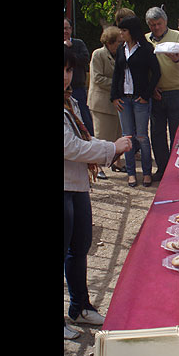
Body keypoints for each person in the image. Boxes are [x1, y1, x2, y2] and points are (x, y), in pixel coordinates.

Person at [64, 47, 133, 340]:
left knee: (80, 247)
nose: (66, 76)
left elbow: (83, 139)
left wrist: (106, 147)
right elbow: (71, 147)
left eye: (68, 70)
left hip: (76, 184)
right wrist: (111, 148)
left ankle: (80, 306)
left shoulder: (69, 102)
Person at [111, 16, 162, 188]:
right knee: (128, 137)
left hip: (140, 99)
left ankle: (147, 172)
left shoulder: (146, 48)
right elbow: (116, 74)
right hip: (123, 98)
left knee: (142, 137)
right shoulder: (121, 49)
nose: (121, 33)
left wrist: (147, 95)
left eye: (124, 30)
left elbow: (156, 73)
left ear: (131, 31)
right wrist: (114, 97)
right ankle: (131, 173)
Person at [144, 6, 179, 181]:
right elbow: (143, 69)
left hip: (177, 91)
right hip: (156, 93)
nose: (156, 27)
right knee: (156, 133)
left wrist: (177, 59)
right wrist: (151, 88)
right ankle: (163, 170)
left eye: (159, 23)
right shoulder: (145, 40)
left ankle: (175, 168)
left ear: (166, 22)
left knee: (176, 132)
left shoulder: (178, 37)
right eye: (152, 24)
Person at [88, 26, 125, 180]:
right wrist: (119, 83)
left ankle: (115, 162)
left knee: (115, 134)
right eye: (118, 42)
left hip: (116, 103)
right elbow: (97, 78)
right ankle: (97, 167)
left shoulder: (119, 55)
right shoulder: (98, 54)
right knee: (101, 136)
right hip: (101, 103)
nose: (120, 45)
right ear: (109, 42)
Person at [64, 17, 94, 136]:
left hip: (77, 88)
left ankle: (90, 140)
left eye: (67, 28)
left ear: (71, 29)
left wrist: (70, 50)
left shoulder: (78, 43)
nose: (65, 31)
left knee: (84, 118)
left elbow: (85, 59)